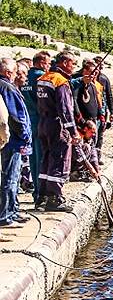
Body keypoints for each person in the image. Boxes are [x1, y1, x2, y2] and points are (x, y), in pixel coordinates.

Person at [36, 50, 80, 212]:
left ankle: (42, 196)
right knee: (60, 159)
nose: (74, 67)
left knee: (46, 159)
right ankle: (55, 198)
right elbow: (65, 109)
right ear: (65, 63)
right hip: (57, 125)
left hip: (43, 123)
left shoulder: (43, 78)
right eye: (73, 63)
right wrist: (73, 131)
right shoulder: (60, 81)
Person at [0, 57, 32, 227]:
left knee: (13, 177)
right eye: (15, 72)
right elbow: (15, 116)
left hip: (10, 139)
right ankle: (6, 216)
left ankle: (12, 211)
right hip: (13, 141)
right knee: (10, 178)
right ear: (8, 72)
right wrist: (24, 135)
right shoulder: (6, 87)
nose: (17, 75)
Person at [20, 51, 50, 203]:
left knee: (32, 159)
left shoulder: (25, 77)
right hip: (40, 120)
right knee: (42, 158)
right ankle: (41, 193)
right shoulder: (41, 77)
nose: (49, 66)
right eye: (47, 63)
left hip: (27, 120)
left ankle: (36, 193)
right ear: (41, 62)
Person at [92, 56, 113, 125]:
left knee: (101, 126)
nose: (100, 68)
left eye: (101, 66)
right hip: (91, 110)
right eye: (98, 65)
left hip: (102, 109)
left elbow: (109, 95)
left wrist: (112, 112)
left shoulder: (104, 79)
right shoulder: (85, 78)